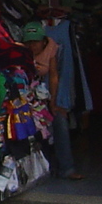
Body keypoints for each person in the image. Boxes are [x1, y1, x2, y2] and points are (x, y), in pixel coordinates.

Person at [23, 19, 82, 180]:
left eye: (35, 43)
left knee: (60, 123)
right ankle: (42, 170)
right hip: (26, 98)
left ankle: (67, 169)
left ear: (43, 41)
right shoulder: (21, 52)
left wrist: (53, 101)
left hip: (46, 96)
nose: (32, 46)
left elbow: (54, 76)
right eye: (28, 43)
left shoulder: (51, 49)